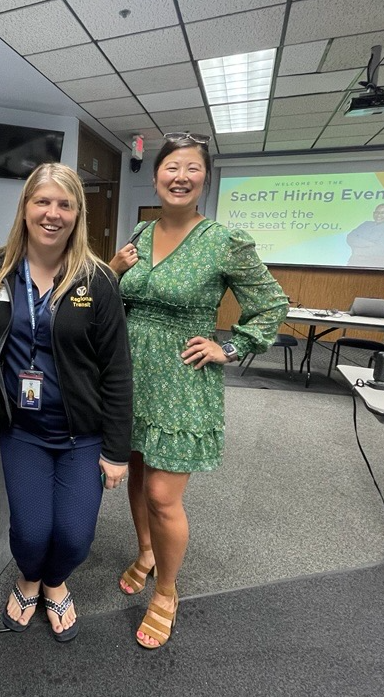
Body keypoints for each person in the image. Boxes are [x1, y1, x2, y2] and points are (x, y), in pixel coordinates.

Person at [108, 134, 287, 649]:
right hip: (130, 373)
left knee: (164, 495)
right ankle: (145, 551)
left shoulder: (225, 241)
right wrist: (114, 271)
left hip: (182, 379)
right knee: (138, 475)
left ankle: (166, 591)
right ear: (157, 174)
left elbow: (272, 304)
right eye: (171, 167)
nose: (180, 176)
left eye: (191, 168)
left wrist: (230, 348)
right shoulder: (140, 232)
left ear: (204, 177)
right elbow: (113, 297)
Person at [0, 163, 131, 643]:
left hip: (83, 434)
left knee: (75, 538)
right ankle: (30, 579)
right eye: (42, 202)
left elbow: (118, 369)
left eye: (64, 204)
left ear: (77, 214)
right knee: (31, 534)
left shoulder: (97, 280)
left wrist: (117, 450)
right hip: (24, 432)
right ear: (25, 207)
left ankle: (56, 582)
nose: (52, 214)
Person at [346, 202, 384, 267]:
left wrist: (357, 250)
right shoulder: (366, 224)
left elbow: (382, 250)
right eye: (377, 212)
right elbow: (350, 238)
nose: (379, 215)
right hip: (354, 263)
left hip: (377, 267)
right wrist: (369, 244)